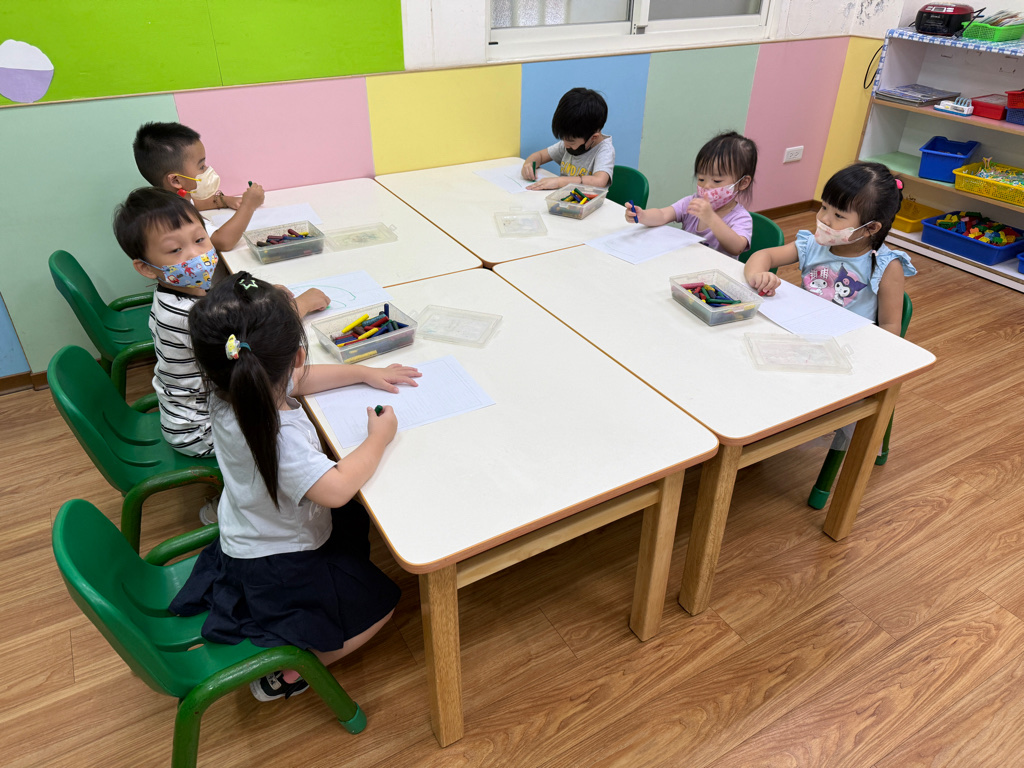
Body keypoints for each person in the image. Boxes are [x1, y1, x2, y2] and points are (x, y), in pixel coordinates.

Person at [170, 272, 421, 701]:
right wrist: (378, 439)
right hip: (278, 560)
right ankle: (290, 671)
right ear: (297, 354)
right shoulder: (276, 435)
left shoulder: (233, 385)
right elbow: (336, 490)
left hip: (254, 531)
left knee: (355, 524)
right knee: (381, 605)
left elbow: (299, 379)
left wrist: (364, 371)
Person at [112, 188, 329, 462]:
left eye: (199, 239)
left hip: (191, 408)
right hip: (201, 431)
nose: (196, 255)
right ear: (146, 268)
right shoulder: (185, 315)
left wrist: (263, 297)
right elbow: (257, 339)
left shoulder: (180, 292)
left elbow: (225, 311)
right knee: (301, 427)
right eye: (176, 250)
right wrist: (299, 305)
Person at [744, 161, 915, 450]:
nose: (823, 218)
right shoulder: (813, 244)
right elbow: (764, 257)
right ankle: (759, 428)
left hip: (845, 357)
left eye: (838, 215)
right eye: (824, 207)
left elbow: (889, 328)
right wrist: (758, 275)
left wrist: (866, 364)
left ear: (870, 228)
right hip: (800, 340)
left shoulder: (886, 266)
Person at [133, 121, 264, 252]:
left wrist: (225, 200)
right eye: (201, 166)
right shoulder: (177, 216)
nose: (207, 169)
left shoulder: (176, 198)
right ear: (176, 180)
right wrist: (248, 205)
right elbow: (223, 242)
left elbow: (196, 203)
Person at [624, 131, 757, 257]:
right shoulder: (692, 202)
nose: (706, 186)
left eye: (717, 180)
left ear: (743, 182)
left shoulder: (740, 218)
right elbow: (663, 215)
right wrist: (643, 215)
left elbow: (737, 247)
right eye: (701, 179)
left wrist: (711, 218)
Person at [521, 87, 615, 189]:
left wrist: (559, 182)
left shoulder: (604, 150)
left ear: (593, 137)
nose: (565, 145)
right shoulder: (568, 142)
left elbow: (599, 181)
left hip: (588, 199)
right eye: (563, 139)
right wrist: (529, 164)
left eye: (571, 143)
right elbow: (540, 156)